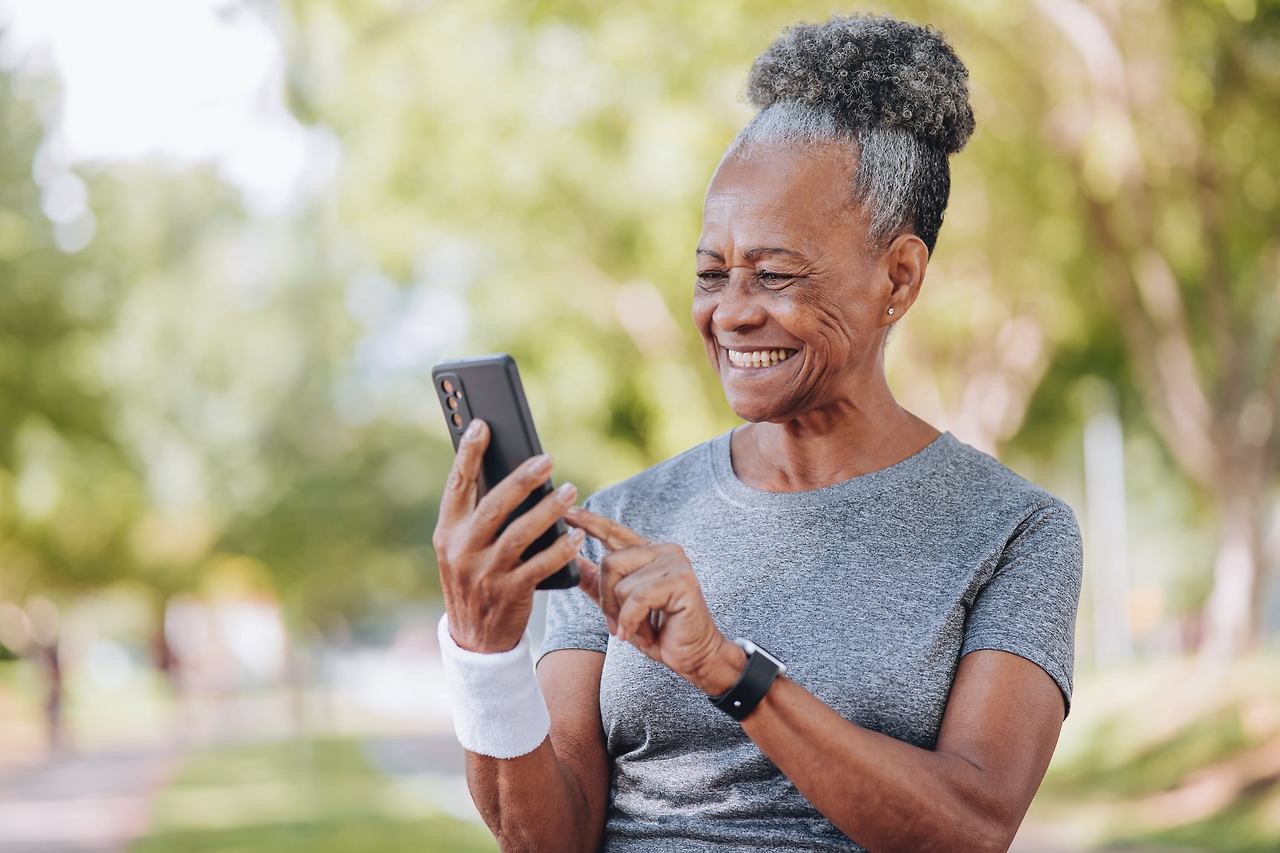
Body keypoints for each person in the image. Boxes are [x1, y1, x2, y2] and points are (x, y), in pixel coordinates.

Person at [432, 12, 1083, 853]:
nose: (733, 311)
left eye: (774, 273)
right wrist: (483, 651)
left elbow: (969, 828)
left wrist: (727, 671)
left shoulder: (1013, 531)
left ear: (900, 276)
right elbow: (547, 840)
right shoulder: (626, 517)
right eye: (712, 273)